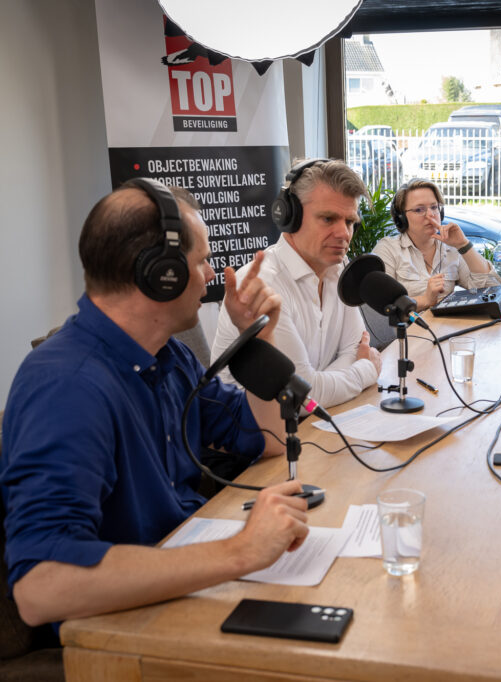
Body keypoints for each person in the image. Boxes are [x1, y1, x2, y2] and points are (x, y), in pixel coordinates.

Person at [1, 179, 310, 627]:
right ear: (161, 274)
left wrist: (258, 337)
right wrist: (241, 551)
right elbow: (40, 588)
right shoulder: (67, 385)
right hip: (121, 629)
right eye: (201, 261)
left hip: (181, 579)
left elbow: (269, 440)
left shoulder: (168, 355)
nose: (210, 275)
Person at [212, 159, 382, 408]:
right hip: (252, 429)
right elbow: (300, 398)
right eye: (328, 219)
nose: (344, 234)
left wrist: (321, 383)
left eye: (349, 222)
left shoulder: (338, 268)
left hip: (320, 420)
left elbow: (355, 350)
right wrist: (366, 369)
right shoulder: (264, 284)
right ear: (289, 216)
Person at [372, 179, 501, 312]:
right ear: (401, 218)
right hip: (409, 325)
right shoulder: (388, 249)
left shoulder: (451, 248)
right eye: (419, 210)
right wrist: (425, 300)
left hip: (447, 324)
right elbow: (383, 305)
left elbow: (492, 290)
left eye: (434, 207)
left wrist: (463, 245)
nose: (431, 215)